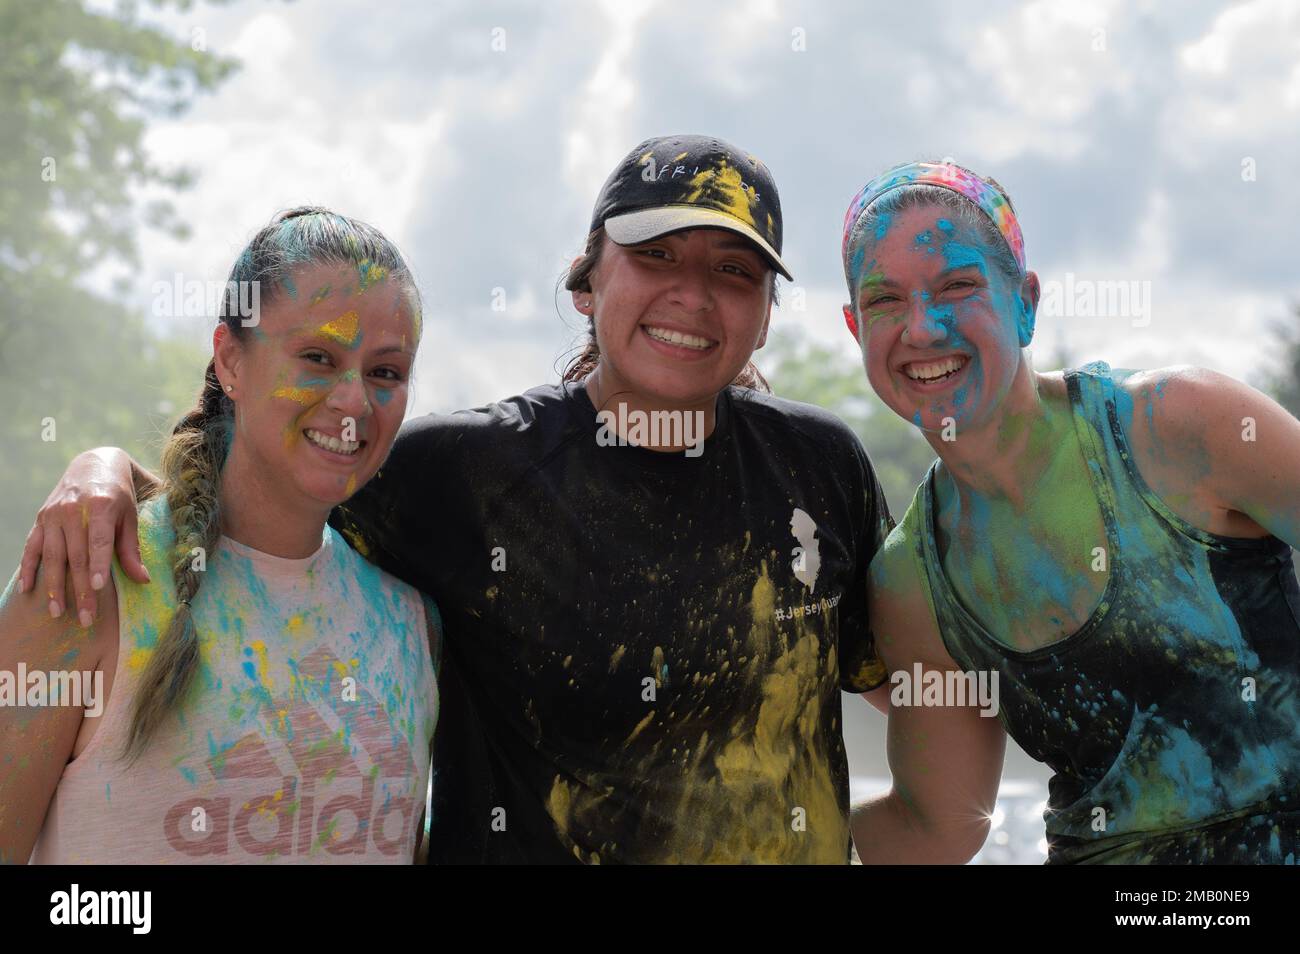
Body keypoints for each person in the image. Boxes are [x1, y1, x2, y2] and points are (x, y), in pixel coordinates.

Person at [17, 136, 894, 864]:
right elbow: (257, 489)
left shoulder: (819, 469)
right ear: (588, 283)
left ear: (767, 309)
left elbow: (916, 676)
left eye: (735, 270)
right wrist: (106, 472)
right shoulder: (467, 473)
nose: (692, 293)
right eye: (656, 254)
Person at [842, 160, 1300, 864]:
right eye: (885, 301)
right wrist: (758, 830)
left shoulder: (1179, 427)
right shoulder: (912, 584)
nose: (923, 328)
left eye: (957, 287)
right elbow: (940, 827)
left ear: (1024, 302)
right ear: (855, 328)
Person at [1, 208, 439, 864]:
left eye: (385, 373)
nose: (353, 403)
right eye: (318, 358)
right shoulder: (88, 582)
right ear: (231, 359)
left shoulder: (413, 625)